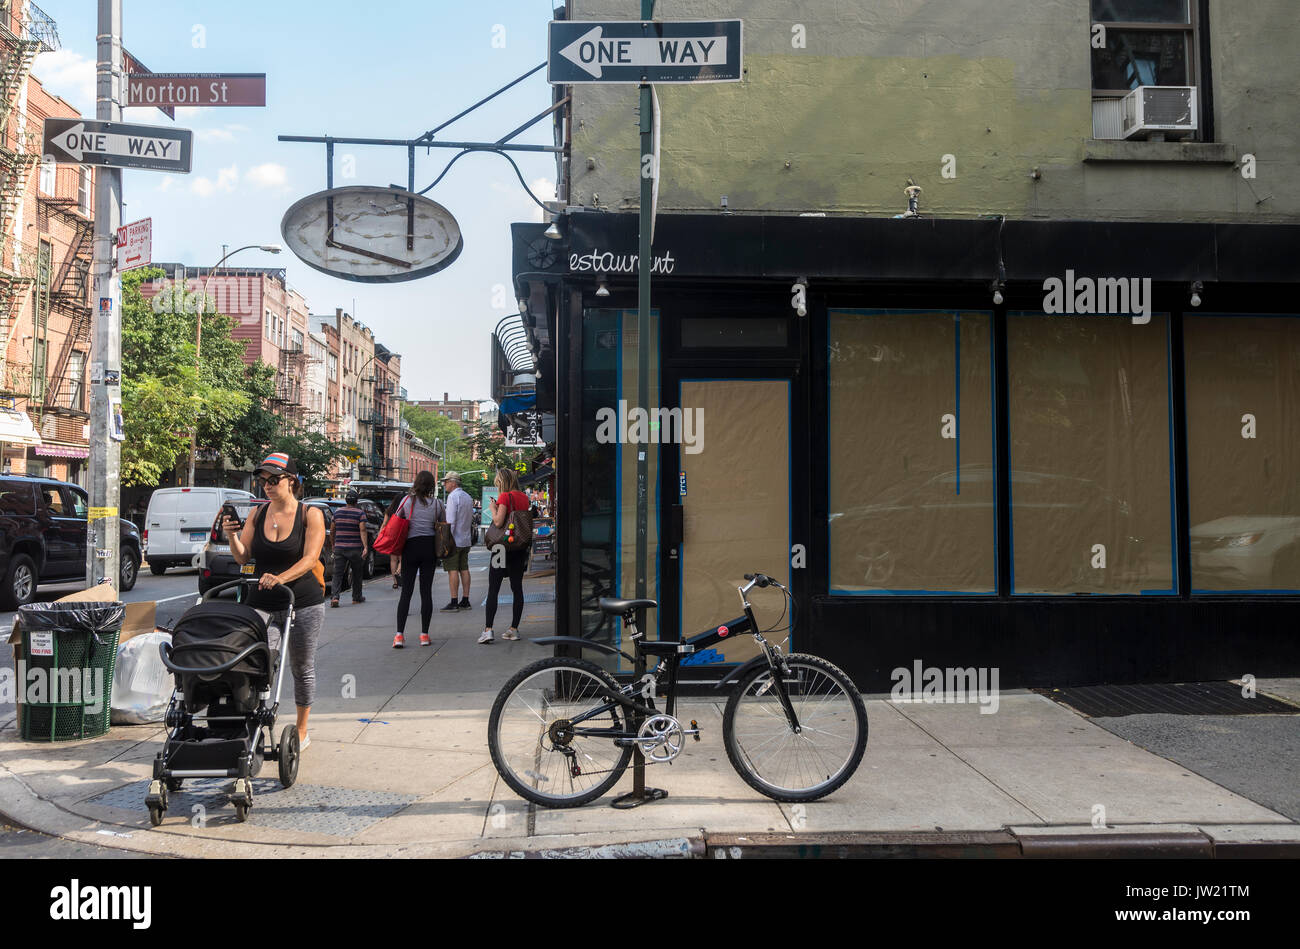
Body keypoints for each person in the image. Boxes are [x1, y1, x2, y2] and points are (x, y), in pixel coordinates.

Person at [222, 452, 326, 750]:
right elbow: (243, 557)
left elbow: (310, 559)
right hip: (262, 603)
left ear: (291, 481)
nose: (266, 485)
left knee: (301, 666)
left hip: (303, 601)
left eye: (274, 479)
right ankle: (253, 722)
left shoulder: (310, 514)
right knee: (259, 663)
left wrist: (281, 578)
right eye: (262, 480)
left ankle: (302, 729)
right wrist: (232, 536)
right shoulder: (257, 514)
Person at [393, 470, 445, 648]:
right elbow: (443, 525)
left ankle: (399, 635)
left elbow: (397, 518)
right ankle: (424, 635)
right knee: (426, 592)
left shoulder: (407, 501)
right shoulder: (437, 504)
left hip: (410, 547)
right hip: (429, 548)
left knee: (406, 592)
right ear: (431, 486)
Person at [481, 467, 530, 644]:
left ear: (502, 482)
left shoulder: (504, 497)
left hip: (501, 548)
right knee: (517, 588)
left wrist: (493, 508)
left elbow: (498, 521)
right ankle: (514, 629)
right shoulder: (524, 497)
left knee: (493, 588)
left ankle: (488, 630)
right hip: (519, 547)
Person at [439, 472, 474, 612]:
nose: (445, 484)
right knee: (464, 569)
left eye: (446, 482)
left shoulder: (453, 497)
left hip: (454, 540)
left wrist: (446, 541)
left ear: (453, 482)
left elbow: (450, 522)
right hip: (465, 539)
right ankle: (465, 600)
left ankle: (454, 601)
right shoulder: (468, 497)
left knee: (452, 570)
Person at [330, 491, 369, 607]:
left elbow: (332, 530)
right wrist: (365, 546)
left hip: (340, 547)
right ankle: (356, 597)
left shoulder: (337, 512)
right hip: (355, 548)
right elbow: (362, 530)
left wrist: (333, 544)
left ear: (346, 500)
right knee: (357, 573)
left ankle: (335, 598)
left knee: (337, 573)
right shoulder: (360, 513)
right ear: (356, 501)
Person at [381, 494, 404, 589]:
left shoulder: (389, 511)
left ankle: (395, 582)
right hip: (402, 535)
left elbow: (384, 524)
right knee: (402, 558)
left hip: (392, 537)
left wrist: (380, 536)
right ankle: (399, 571)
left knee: (393, 560)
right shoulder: (404, 510)